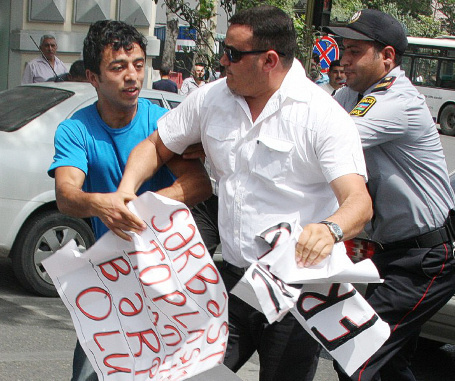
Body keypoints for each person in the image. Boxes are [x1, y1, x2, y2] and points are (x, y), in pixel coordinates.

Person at [113, 5, 373, 381]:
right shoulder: (212, 98)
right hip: (235, 280)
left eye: (233, 54)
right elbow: (156, 146)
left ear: (269, 60)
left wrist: (330, 229)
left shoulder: (322, 116)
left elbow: (358, 202)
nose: (222, 61)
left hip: (297, 289)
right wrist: (126, 191)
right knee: (193, 374)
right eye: (223, 48)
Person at [47, 20, 212, 381]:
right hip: (109, 281)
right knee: (91, 375)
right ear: (93, 76)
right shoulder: (76, 129)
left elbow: (199, 184)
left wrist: (140, 208)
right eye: (118, 67)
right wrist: (100, 204)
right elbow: (67, 195)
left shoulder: (162, 122)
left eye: (138, 65)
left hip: (170, 275)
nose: (132, 76)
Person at [330, 9, 455, 380]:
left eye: (356, 51)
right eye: (343, 49)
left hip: (430, 257)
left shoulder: (396, 99)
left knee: (355, 354)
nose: (344, 59)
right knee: (389, 364)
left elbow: (328, 143)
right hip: (397, 254)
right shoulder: (348, 94)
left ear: (387, 57)